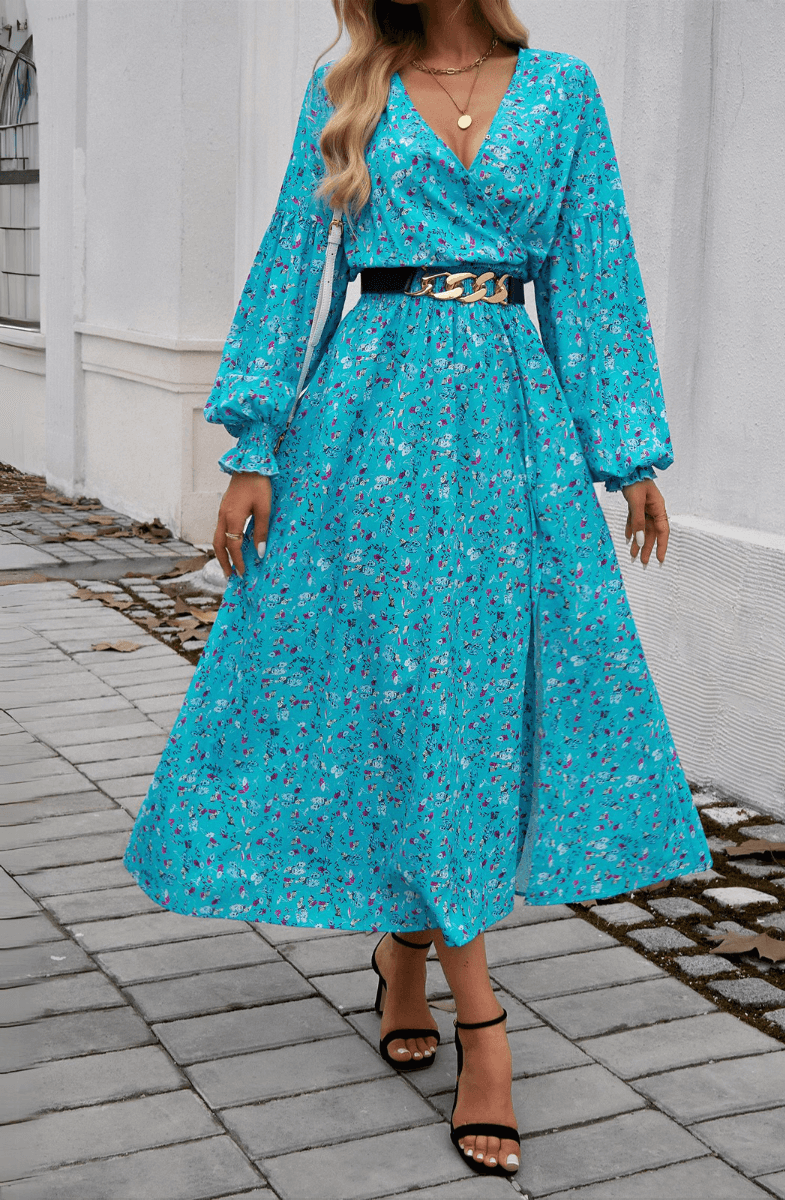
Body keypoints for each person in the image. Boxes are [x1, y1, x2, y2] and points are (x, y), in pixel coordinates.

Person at [123, 0, 712, 1178]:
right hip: (367, 424)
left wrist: (629, 453)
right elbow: (293, 265)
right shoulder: (349, 87)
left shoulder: (562, 91)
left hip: (508, 429)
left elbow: (595, 271)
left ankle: (406, 949)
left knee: (460, 708)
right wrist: (253, 446)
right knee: (403, 697)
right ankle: (481, 1025)